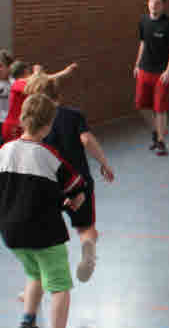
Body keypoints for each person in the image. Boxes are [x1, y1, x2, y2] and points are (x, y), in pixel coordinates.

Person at [0, 93, 89, 328]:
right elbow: (77, 190)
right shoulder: (49, 157)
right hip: (45, 233)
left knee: (35, 273)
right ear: (49, 125)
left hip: (12, 233)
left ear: (22, 119)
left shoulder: (4, 152)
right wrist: (73, 202)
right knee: (59, 286)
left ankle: (27, 323)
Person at [28, 69, 115, 280]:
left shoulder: (36, 124)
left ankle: (36, 279)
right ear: (58, 94)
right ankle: (88, 249)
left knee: (45, 231)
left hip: (49, 184)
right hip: (78, 182)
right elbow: (86, 140)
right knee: (86, 228)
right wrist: (104, 163)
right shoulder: (74, 115)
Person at [135, 0, 169, 155]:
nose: (153, 5)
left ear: (163, 5)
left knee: (160, 108)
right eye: (151, 1)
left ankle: (161, 141)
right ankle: (156, 131)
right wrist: (137, 64)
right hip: (144, 70)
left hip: (161, 73)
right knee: (141, 105)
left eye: (157, 2)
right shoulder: (143, 21)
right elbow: (143, 43)